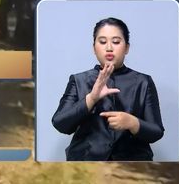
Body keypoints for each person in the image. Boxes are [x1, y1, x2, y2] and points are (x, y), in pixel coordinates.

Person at [51, 18, 165, 161]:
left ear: (127, 48)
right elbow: (60, 124)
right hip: (86, 163)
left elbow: (157, 132)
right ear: (94, 48)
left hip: (131, 165)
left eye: (116, 42)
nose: (109, 47)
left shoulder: (143, 82)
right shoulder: (78, 80)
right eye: (102, 42)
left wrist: (132, 122)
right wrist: (91, 98)